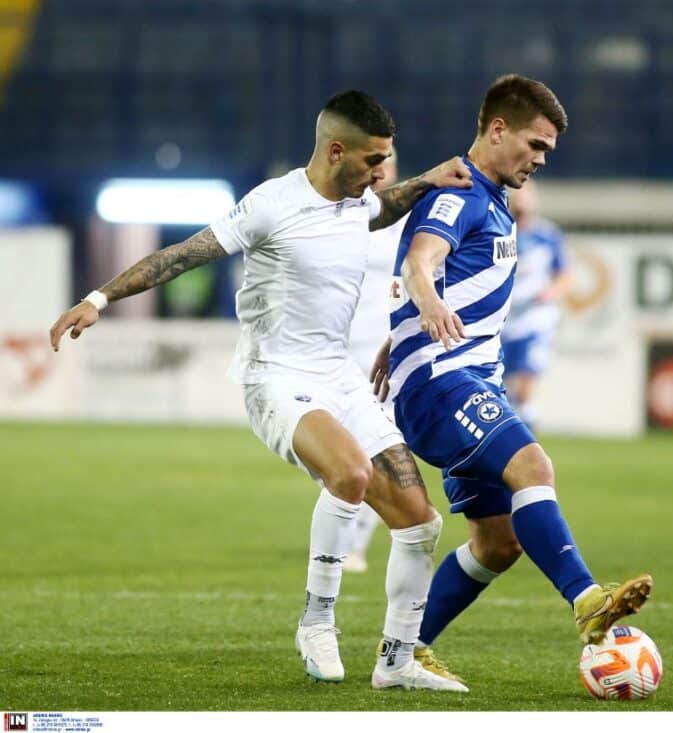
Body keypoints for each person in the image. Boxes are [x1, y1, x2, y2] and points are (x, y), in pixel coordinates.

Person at [49, 90, 473, 692]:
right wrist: (98, 299)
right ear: (335, 151)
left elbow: (379, 210)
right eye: (373, 159)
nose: (382, 172)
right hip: (275, 375)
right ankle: (317, 622)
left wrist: (430, 180)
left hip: (339, 375)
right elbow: (183, 255)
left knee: (419, 522)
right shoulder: (272, 205)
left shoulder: (358, 200)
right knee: (350, 474)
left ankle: (397, 661)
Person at [374, 74, 652, 683]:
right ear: (498, 129)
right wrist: (426, 308)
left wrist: (396, 336)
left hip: (466, 379)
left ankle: (402, 653)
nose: (541, 159)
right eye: (535, 144)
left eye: (548, 150)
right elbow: (421, 260)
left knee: (498, 542)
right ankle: (587, 600)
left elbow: (443, 278)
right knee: (534, 467)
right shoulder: (460, 193)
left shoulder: (497, 201)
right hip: (445, 383)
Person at [342, 153, 405, 575]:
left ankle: (354, 544)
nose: (380, 171)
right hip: (337, 352)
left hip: (383, 353)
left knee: (376, 447)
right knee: (338, 454)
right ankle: (345, 533)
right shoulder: (338, 218)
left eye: (389, 163)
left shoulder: (407, 222)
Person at [499, 179, 572, 431]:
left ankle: (527, 428)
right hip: (502, 320)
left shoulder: (547, 235)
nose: (521, 200)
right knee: (500, 385)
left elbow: (566, 275)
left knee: (526, 380)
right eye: (517, 195)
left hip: (535, 319)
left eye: (526, 195)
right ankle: (512, 428)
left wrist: (550, 293)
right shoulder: (498, 230)